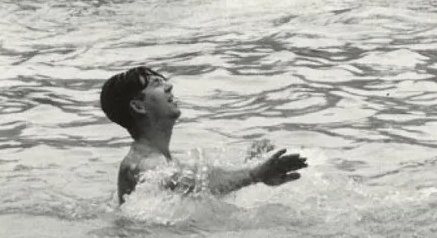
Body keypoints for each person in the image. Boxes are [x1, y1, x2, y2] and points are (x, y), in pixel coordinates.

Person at [100, 66, 306, 206]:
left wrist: (247, 166)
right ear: (138, 106)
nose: (169, 86)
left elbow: (201, 188)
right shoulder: (144, 164)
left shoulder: (157, 158)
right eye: (156, 84)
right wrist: (254, 175)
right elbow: (193, 184)